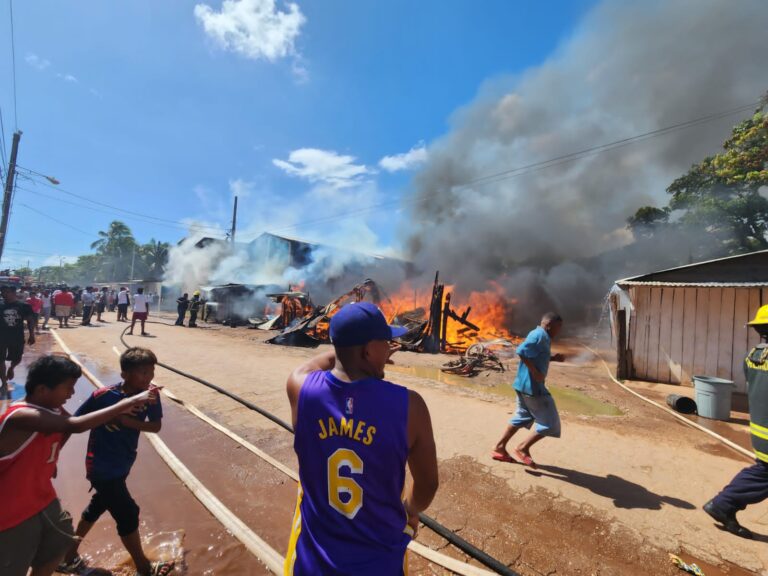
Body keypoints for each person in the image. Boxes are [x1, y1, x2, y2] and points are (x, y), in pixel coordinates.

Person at [284, 302, 439, 575]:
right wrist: (409, 509)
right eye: (385, 341)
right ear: (368, 350)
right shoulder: (410, 406)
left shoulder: (301, 389)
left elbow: (311, 364)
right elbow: (428, 484)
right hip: (379, 566)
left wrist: (349, 351)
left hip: (312, 565)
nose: (391, 346)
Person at [0, 355, 152, 576]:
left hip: (42, 499)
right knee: (13, 564)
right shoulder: (21, 416)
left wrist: (53, 458)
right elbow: (75, 425)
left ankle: (66, 560)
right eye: (68, 388)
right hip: (9, 510)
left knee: (58, 543)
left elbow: (62, 430)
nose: (71, 394)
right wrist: (125, 404)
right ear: (42, 389)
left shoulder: (55, 411)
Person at [59, 347, 173, 576]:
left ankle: (68, 556)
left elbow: (156, 426)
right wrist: (52, 459)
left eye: (151, 371)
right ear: (125, 375)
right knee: (129, 513)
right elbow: (74, 424)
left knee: (97, 506)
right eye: (142, 372)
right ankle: (143, 567)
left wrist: (129, 423)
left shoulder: (151, 395)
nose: (148, 377)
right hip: (100, 466)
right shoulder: (104, 396)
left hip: (123, 463)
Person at [704, 305, 768, 539]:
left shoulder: (753, 356)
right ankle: (723, 504)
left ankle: (724, 504)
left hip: (761, 431)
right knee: (762, 475)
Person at [491, 312, 565, 468]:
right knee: (551, 424)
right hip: (533, 388)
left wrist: (552, 358)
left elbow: (534, 355)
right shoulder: (540, 335)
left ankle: (499, 448)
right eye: (558, 327)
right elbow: (522, 351)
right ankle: (523, 448)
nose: (559, 331)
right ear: (549, 325)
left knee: (523, 416)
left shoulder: (538, 334)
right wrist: (535, 372)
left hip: (522, 385)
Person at [0, 286, 35, 399]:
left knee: (17, 358)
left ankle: (11, 368)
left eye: (7, 292)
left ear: (14, 293)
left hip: (17, 337)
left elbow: (30, 320)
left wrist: (32, 334)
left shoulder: (24, 306)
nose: (4, 294)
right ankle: (4, 383)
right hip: (1, 337)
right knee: (0, 360)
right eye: (2, 292)